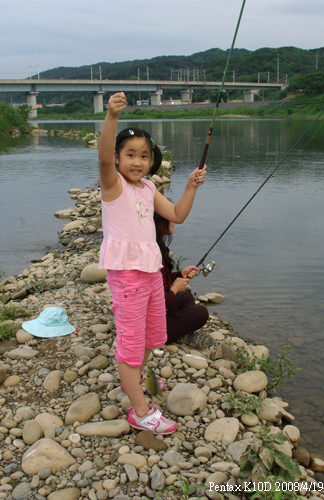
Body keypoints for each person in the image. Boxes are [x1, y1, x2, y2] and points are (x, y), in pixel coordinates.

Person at [98, 92, 206, 435]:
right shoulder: (112, 186)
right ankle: (140, 411)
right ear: (117, 158)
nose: (137, 161)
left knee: (150, 338)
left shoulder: (147, 187)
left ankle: (131, 383)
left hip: (151, 274)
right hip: (128, 276)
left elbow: (176, 215)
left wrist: (190, 186)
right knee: (131, 345)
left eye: (144, 156)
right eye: (130, 155)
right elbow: (101, 158)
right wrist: (112, 117)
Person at [154, 212, 210, 346]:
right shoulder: (154, 253)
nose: (174, 221)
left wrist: (180, 274)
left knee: (186, 297)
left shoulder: (158, 246)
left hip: (159, 311)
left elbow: (161, 282)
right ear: (159, 222)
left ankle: (176, 331)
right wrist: (174, 288)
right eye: (170, 217)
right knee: (201, 313)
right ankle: (164, 336)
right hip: (152, 319)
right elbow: (157, 301)